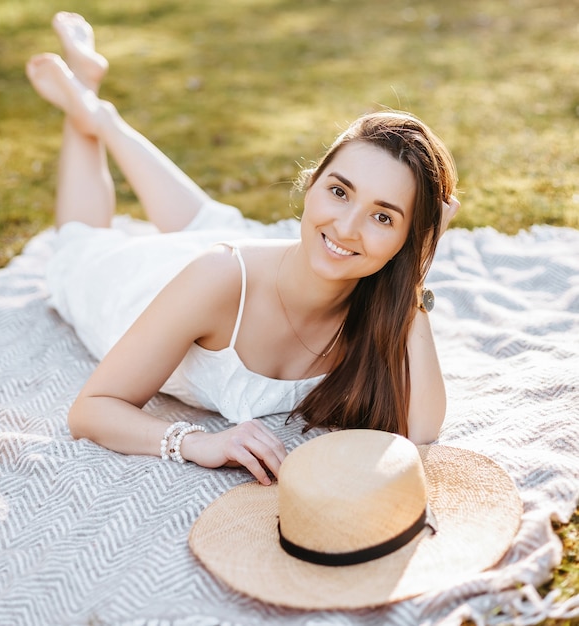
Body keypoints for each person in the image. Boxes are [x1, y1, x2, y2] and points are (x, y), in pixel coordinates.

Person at [25, 12, 459, 486]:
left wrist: (418, 264)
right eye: (339, 191)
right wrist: (197, 442)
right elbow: (91, 410)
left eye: (383, 217)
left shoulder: (377, 301)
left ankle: (99, 111)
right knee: (78, 244)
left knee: (212, 222)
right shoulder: (218, 276)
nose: (348, 227)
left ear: (406, 240)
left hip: (243, 266)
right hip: (154, 287)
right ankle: (91, 109)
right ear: (311, 184)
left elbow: (420, 430)